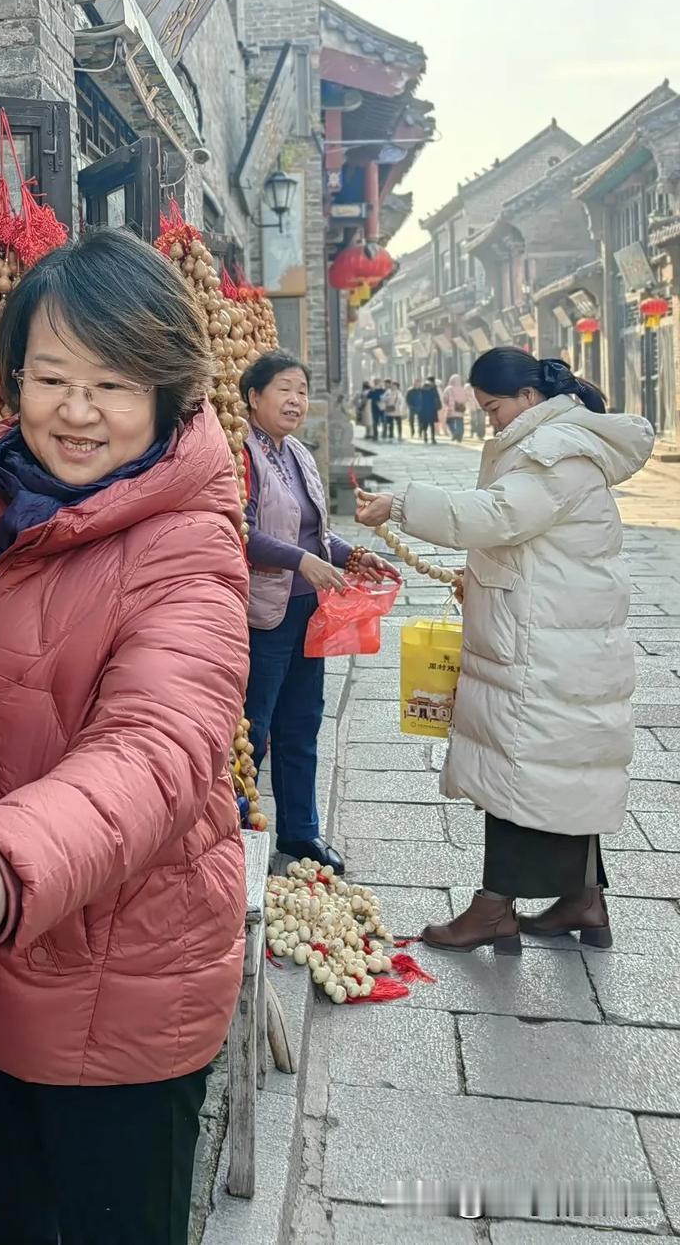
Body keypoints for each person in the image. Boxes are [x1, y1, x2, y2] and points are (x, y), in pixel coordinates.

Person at [0, 229, 250, 1245]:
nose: (76, 412)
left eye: (113, 384)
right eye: (51, 377)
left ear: (167, 393)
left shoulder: (188, 545)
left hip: (113, 994)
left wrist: (3, 857)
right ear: (11, 376)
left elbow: (159, 746)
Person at [355, 349, 654, 953]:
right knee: (561, 772)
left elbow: (499, 514)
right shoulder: (556, 441)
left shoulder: (557, 451)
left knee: (520, 771)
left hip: (545, 642)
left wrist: (404, 504)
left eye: (493, 408)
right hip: (549, 630)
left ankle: (494, 909)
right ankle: (584, 900)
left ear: (528, 398)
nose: (489, 420)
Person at [242, 350, 398, 873]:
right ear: (253, 397)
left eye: (302, 391)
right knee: (252, 726)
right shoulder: (240, 455)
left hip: (310, 610)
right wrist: (302, 561)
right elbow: (238, 531)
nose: (295, 400)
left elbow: (311, 533)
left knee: (302, 721)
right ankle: (237, 833)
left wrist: (352, 554)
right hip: (263, 612)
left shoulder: (298, 453)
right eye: (284, 389)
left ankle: (301, 833)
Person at [444, 373, 469, 442]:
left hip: (451, 409)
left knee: (449, 422)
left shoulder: (449, 388)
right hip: (460, 409)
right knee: (460, 423)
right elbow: (466, 398)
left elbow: (445, 398)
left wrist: (447, 404)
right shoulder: (462, 389)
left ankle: (454, 433)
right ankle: (459, 437)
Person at [420, 375, 442, 443]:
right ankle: (432, 438)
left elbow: (420, 397)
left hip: (424, 408)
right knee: (431, 424)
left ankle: (425, 436)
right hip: (432, 407)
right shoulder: (434, 387)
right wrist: (439, 405)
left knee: (425, 423)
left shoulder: (423, 387)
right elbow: (437, 397)